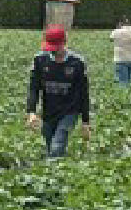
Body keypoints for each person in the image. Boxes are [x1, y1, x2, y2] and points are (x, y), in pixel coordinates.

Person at [25, 26, 92, 158]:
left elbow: (84, 93)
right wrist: (31, 112)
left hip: (69, 112)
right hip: (49, 111)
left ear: (64, 43)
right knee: (50, 145)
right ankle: (60, 172)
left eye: (56, 47)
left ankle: (55, 170)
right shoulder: (40, 60)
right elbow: (34, 88)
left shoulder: (77, 62)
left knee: (57, 147)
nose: (54, 51)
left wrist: (85, 121)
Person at [109, 16, 131, 86]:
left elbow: (111, 39)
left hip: (120, 60)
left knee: (123, 84)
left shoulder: (116, 31)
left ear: (119, 23)